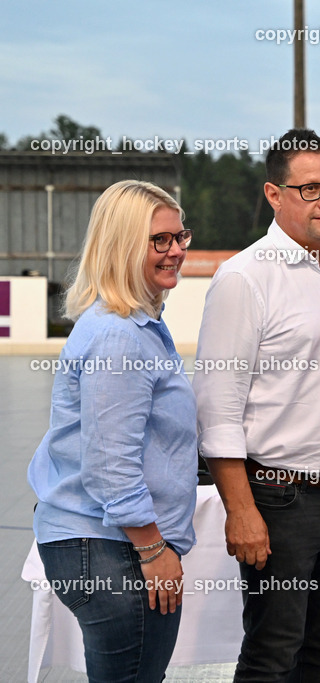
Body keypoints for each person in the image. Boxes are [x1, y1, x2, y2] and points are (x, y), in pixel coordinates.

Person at [192, 128, 320, 681]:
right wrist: (241, 510)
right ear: (273, 194)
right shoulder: (244, 278)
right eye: (309, 190)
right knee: (271, 654)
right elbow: (217, 409)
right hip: (278, 501)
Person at [28, 180, 197, 682]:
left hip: (105, 542)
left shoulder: (132, 325)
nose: (176, 252)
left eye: (180, 237)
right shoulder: (119, 336)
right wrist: (152, 549)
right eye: (159, 241)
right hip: (112, 546)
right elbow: (109, 466)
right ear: (123, 248)